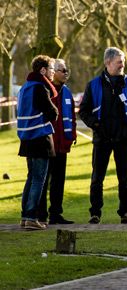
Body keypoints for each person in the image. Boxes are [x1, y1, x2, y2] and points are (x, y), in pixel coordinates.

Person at [78, 47, 127, 224]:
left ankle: (125, 213)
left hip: (124, 139)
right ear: (107, 62)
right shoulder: (93, 85)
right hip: (102, 139)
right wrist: (96, 125)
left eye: (123, 60)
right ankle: (95, 213)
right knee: (97, 178)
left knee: (125, 179)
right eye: (119, 61)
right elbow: (83, 110)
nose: (122, 64)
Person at [17, 55, 58, 230]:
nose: (53, 72)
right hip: (40, 139)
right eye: (51, 69)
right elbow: (52, 112)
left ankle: (25, 216)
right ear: (42, 70)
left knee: (30, 178)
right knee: (39, 180)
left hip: (26, 139)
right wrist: (54, 112)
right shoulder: (41, 88)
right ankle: (32, 217)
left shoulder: (25, 87)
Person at [38, 59, 77, 225]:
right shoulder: (44, 90)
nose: (66, 73)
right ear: (53, 72)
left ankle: (56, 214)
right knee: (43, 180)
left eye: (67, 70)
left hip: (62, 145)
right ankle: (40, 215)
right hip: (47, 143)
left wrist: (72, 135)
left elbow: (72, 116)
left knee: (59, 181)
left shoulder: (67, 92)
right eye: (62, 70)